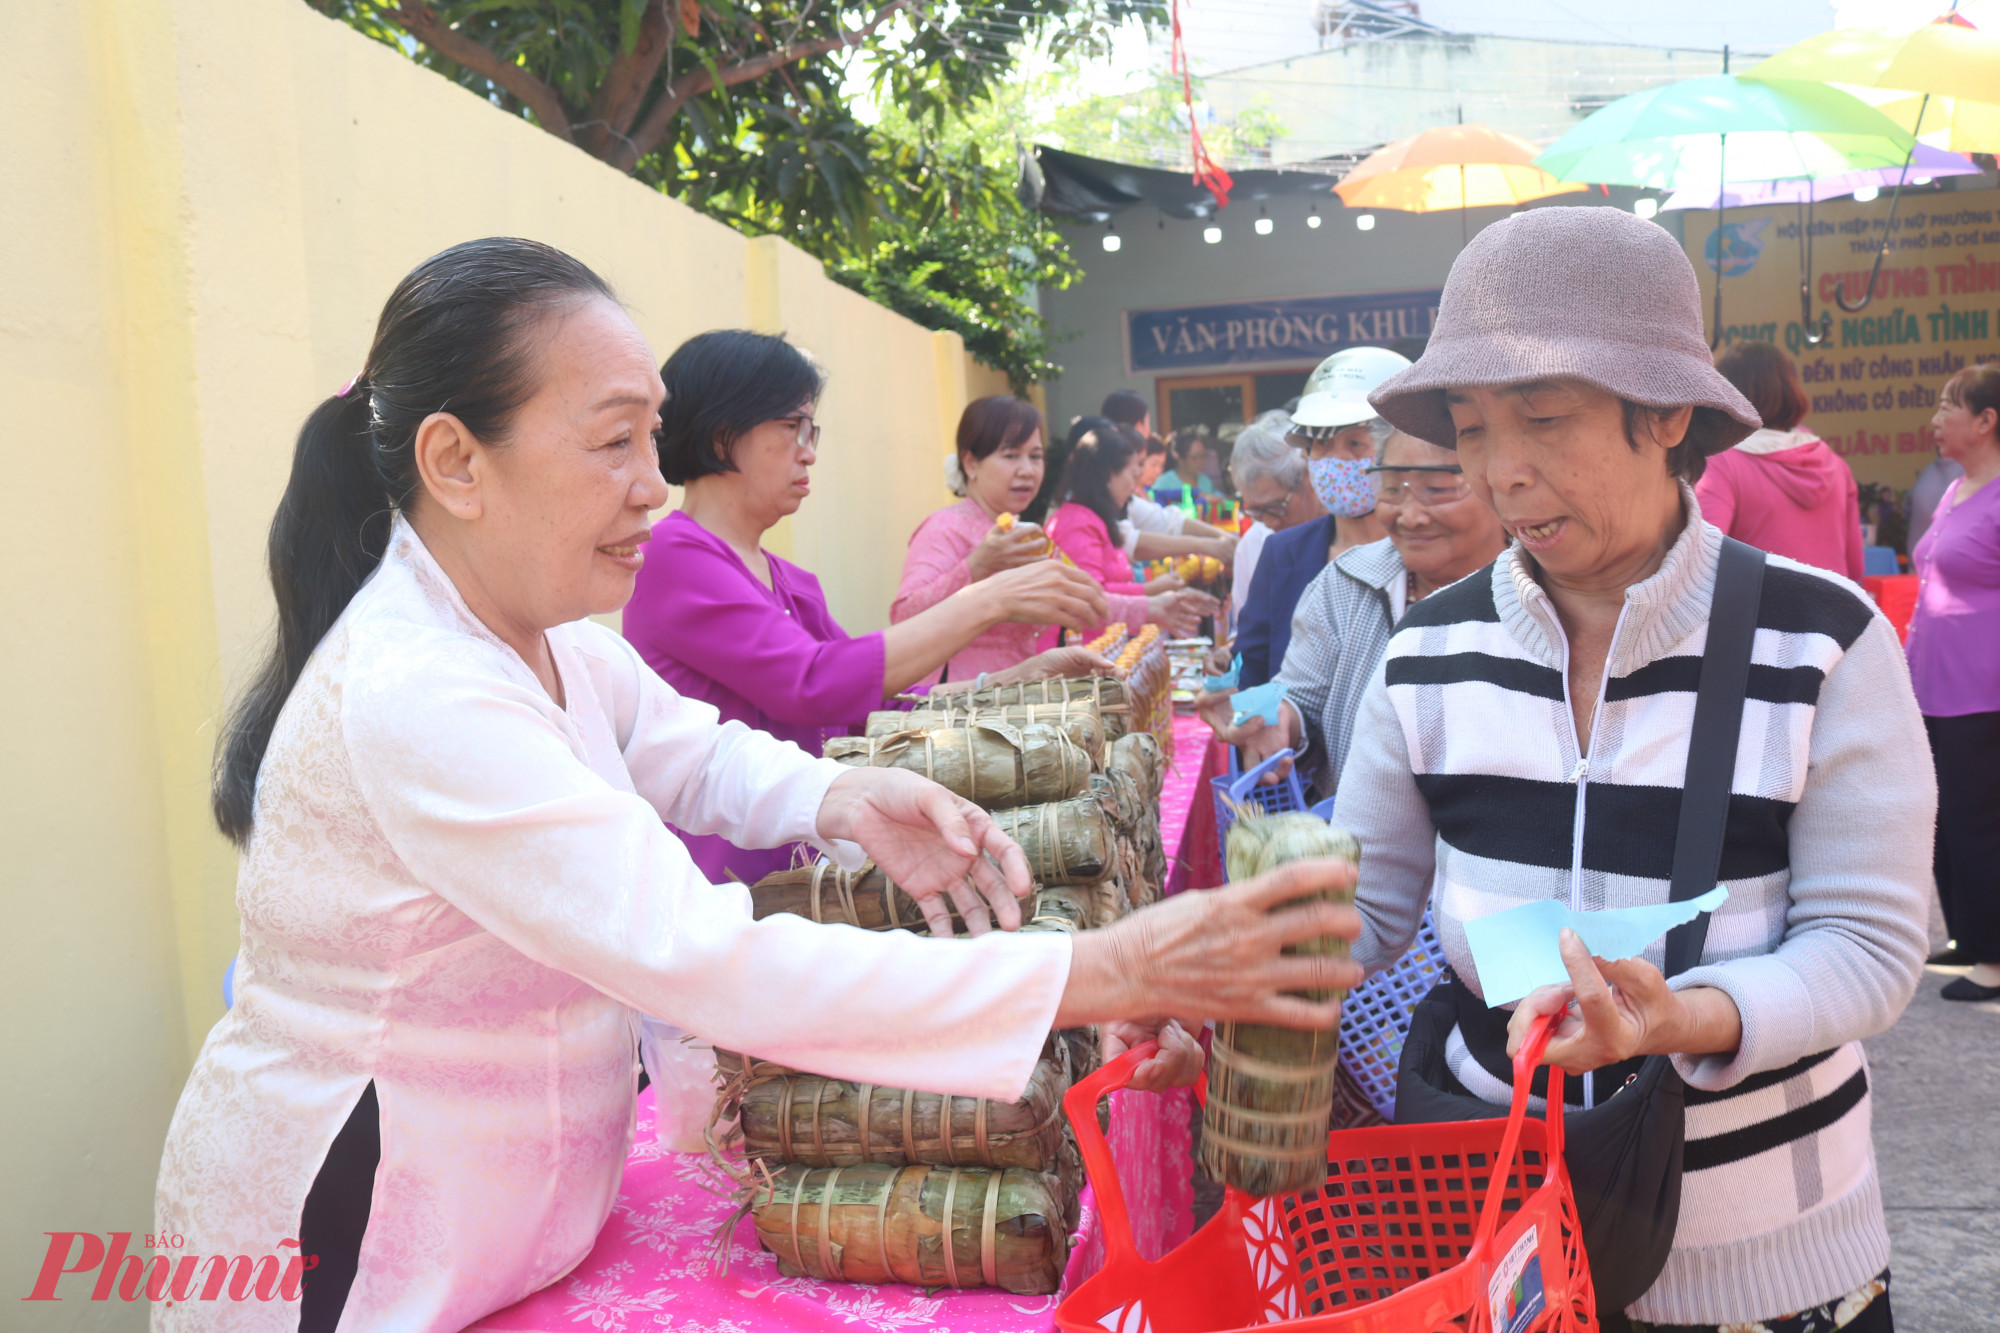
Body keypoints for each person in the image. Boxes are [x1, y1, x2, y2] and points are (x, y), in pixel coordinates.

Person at [156, 238, 1365, 1333]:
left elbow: (692, 748)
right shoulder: (418, 689)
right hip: (351, 1245)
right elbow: (709, 960)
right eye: (613, 439)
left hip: (503, 1232)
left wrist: (839, 802)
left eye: (653, 435)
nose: (650, 481)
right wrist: (1110, 968)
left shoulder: (547, 633)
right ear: (456, 463)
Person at [1339, 208, 1929, 1331]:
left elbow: (1867, 950)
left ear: (1666, 415)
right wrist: (1217, 989)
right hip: (1494, 1223)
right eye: (1468, 428)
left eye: (1543, 418)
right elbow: (1360, 910)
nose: (1499, 474)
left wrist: (1675, 1018)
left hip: (1763, 1239)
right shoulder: (1426, 652)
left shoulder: (1822, 643)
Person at [624, 344, 1112, 887]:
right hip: (725, 881)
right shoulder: (672, 555)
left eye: (812, 432)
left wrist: (1011, 681)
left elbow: (872, 706)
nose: (808, 453)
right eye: (793, 426)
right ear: (722, 436)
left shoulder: (790, 581)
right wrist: (987, 599)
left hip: (805, 870)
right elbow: (813, 683)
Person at [1222, 429, 1508, 799]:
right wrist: (1278, 721)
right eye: (1391, 489)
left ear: (1498, 484)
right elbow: (1302, 697)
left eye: (1436, 488)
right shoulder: (1345, 584)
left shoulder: (1543, 593)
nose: (1410, 515)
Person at [1905, 362, 2000, 1001]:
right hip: (1932, 685)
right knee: (1940, 819)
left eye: (1949, 406)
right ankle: (1970, 934)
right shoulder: (1956, 488)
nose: (1937, 420)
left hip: (1983, 690)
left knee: (1978, 821)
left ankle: (1994, 959)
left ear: (1987, 420)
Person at [1233, 347, 1410, 689]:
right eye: (1320, 446)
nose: (1335, 460)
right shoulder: (1282, 553)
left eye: (1356, 444)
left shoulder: (1424, 548)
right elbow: (1252, 667)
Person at [1699, 341, 1864, 579]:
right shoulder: (1837, 466)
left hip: (1757, 614)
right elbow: (1855, 568)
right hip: (1832, 612)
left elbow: (1703, 562)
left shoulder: (1723, 463)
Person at [1049, 418, 1219, 638]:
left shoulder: (1096, 518)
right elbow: (1092, 599)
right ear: (1109, 475)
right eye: (1131, 474)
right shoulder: (1076, 523)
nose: (1133, 486)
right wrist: (1153, 592)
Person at [1225, 416, 1322, 624]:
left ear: (1307, 478)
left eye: (1275, 507)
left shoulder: (1343, 538)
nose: (1268, 522)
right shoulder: (1252, 545)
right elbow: (1243, 630)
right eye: (1255, 510)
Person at [1124, 428, 1240, 564]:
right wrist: (1207, 545)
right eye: (1142, 464)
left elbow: (1169, 521)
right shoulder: (1161, 484)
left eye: (1203, 456)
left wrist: (1225, 538)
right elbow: (1134, 542)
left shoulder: (1135, 499)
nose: (1139, 472)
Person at [1907, 452, 1965, 551]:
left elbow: (1907, 509)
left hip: (1918, 552)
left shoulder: (1928, 471)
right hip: (1949, 555)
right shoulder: (1964, 472)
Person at [1151, 430, 1219, 505]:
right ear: (1179, 458)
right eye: (1195, 457)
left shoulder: (1205, 481)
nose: (1201, 462)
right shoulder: (1163, 483)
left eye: (1203, 456)